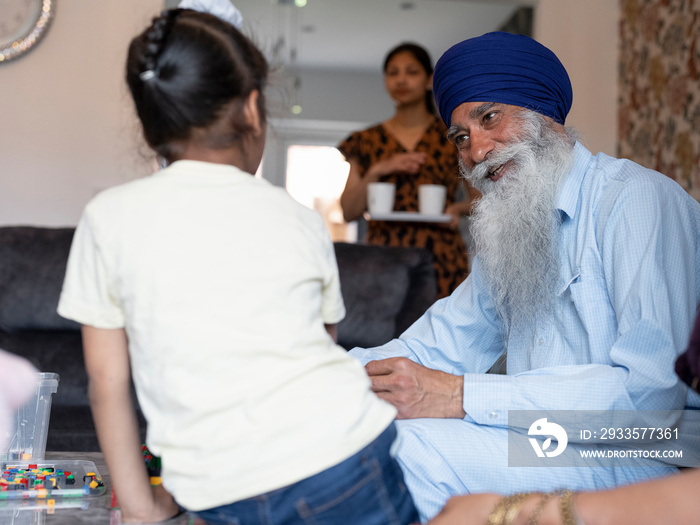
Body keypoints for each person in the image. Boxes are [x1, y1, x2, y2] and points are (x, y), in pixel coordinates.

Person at [57, 5, 418, 524]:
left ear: (151, 123)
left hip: (216, 488)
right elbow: (322, 338)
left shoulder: (107, 219)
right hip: (346, 455)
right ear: (252, 109)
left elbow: (106, 381)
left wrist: (143, 507)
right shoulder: (298, 220)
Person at [348, 31, 700, 522]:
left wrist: (458, 395)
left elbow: (651, 399)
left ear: (543, 113)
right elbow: (438, 343)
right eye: (461, 137)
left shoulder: (637, 201)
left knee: (404, 454)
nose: (476, 151)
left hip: (641, 452)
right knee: (360, 437)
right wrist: (325, 381)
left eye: (490, 117)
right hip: (543, 438)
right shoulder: (517, 225)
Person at [426, 310, 700, 525]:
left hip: (635, 445)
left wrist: (522, 513)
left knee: (413, 449)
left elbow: (649, 397)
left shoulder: (645, 238)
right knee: (393, 431)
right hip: (536, 428)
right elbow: (451, 332)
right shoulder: (506, 244)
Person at [337, 42, 480, 298]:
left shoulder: (453, 137)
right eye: (393, 73)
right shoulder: (365, 140)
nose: (401, 80)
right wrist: (377, 171)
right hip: (382, 258)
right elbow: (348, 211)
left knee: (443, 334)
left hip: (440, 256)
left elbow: (479, 200)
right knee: (381, 336)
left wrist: (457, 209)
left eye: (411, 72)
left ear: (429, 80)